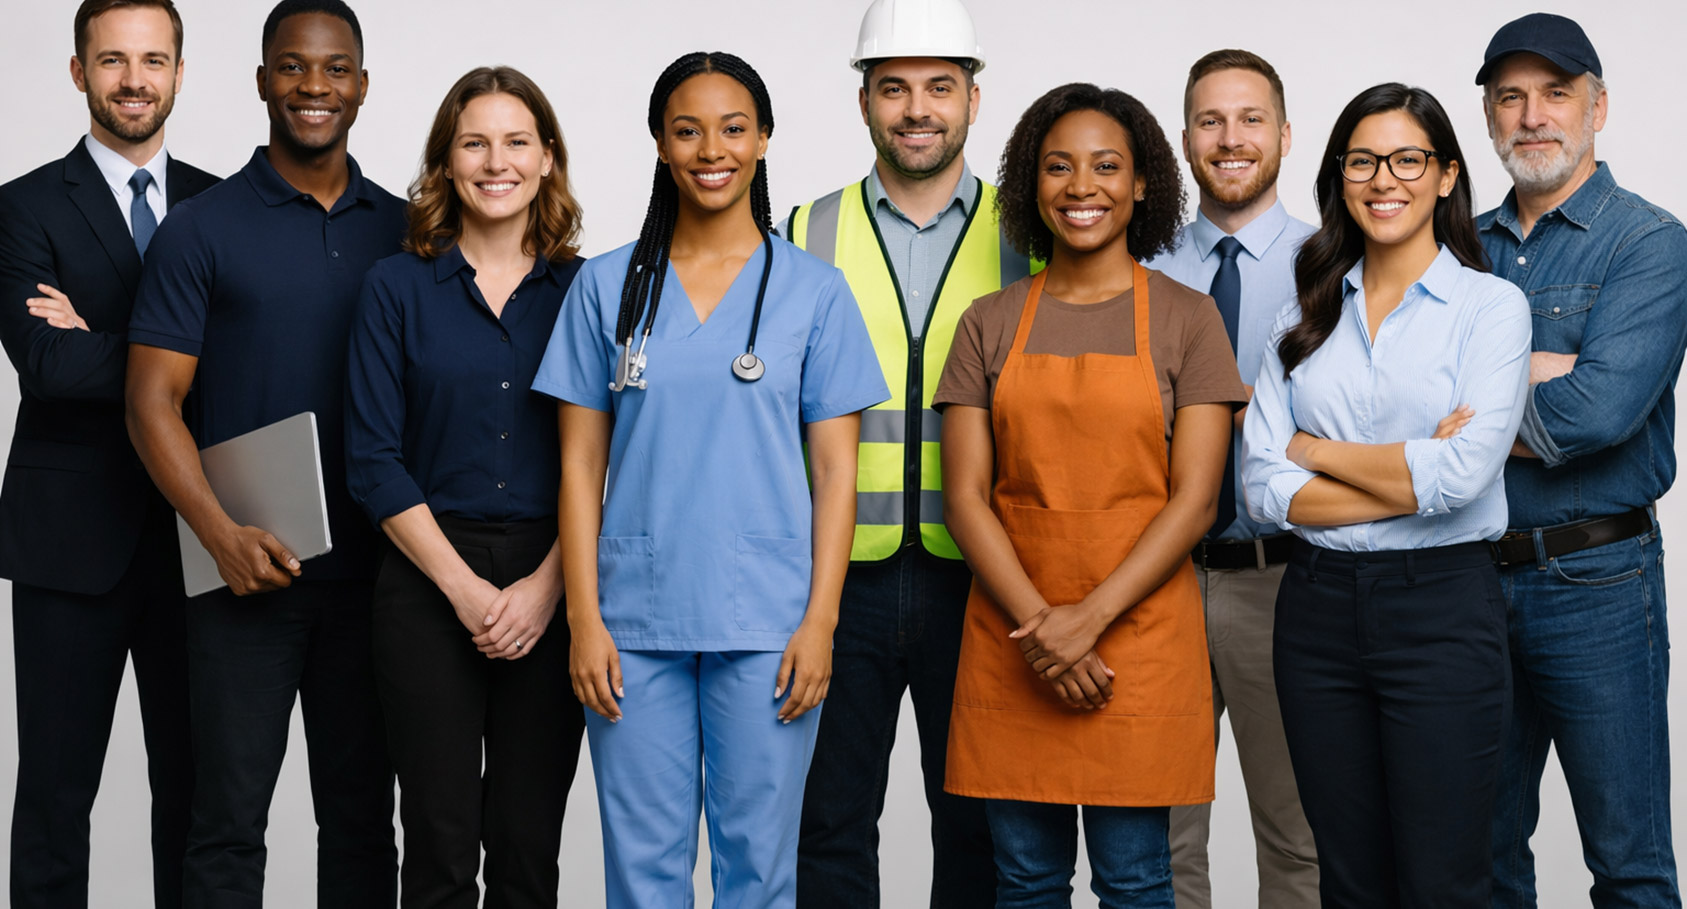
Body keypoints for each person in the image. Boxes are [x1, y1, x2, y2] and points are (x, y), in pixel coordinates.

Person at [533, 52, 887, 908]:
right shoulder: (608, 286)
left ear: (763, 139)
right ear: (659, 143)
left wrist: (820, 623)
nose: (710, 148)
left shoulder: (813, 290)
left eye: (732, 128)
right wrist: (583, 619)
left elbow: (837, 471)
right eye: (687, 130)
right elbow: (580, 464)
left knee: (758, 869)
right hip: (632, 620)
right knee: (643, 868)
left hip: (768, 619)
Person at [124, 1, 404, 904]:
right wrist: (218, 532)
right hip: (242, 577)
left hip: (376, 583)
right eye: (292, 67)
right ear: (260, 82)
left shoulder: (407, 231)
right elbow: (150, 402)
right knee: (227, 826)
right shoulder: (201, 228)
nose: (312, 87)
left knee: (363, 825)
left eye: (333, 70)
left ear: (361, 85)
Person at [938, 82, 1240, 908]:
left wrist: (1083, 622)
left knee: (1138, 879)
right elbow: (965, 497)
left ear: (1142, 183)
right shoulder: (986, 322)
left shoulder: (1188, 321)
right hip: (1014, 631)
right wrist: (1043, 628)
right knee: (1026, 880)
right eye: (1057, 167)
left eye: (1106, 166)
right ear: (1030, 185)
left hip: (1136, 642)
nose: (1081, 187)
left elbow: (1195, 500)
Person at [1241, 83, 1531, 906]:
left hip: (1440, 609)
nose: (1383, 178)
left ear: (1444, 176)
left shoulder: (1489, 308)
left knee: (1443, 883)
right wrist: (1410, 475)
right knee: (1350, 881)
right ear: (1338, 175)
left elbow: (1464, 476)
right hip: (1316, 613)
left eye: (1408, 158)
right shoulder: (1302, 313)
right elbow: (1263, 487)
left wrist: (1317, 452)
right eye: (1362, 160)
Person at [781, 2, 1029, 902]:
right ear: (862, 102)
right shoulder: (803, 229)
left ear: (972, 97)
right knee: (827, 821)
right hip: (836, 580)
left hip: (985, 576)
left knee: (979, 823)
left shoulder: (1031, 229)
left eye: (937, 87)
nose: (916, 108)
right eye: (893, 88)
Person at [344, 66, 587, 909]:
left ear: (547, 159)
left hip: (555, 581)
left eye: (516, 142)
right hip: (424, 578)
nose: (496, 162)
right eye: (473, 143)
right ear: (445, 163)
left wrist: (545, 587)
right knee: (440, 849)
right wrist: (467, 590)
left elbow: (613, 457)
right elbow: (372, 457)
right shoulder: (395, 287)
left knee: (527, 844)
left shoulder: (587, 293)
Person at [0, 1, 216, 905]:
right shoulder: (21, 207)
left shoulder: (223, 203)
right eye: (115, 59)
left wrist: (110, 338)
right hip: (67, 543)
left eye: (154, 59)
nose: (136, 78)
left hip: (199, 536)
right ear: (79, 70)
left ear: (178, 71)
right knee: (54, 795)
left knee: (197, 798)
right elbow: (49, 364)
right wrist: (185, 352)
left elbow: (257, 362)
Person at [1473, 14, 1687, 907]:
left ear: (1598, 107)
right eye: (1510, 96)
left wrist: (1468, 403)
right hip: (1469, 582)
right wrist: (1547, 369)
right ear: (1486, 115)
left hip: (1597, 580)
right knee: (1481, 857)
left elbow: (1596, 412)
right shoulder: (1457, 246)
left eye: (1555, 93)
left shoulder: (1647, 242)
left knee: (1627, 861)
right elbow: (1393, 396)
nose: (1532, 116)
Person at [1142, 48, 1319, 909]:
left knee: (1297, 832)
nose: (1230, 137)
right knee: (1160, 836)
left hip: (1281, 580)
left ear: (1284, 135)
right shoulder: (1139, 272)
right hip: (1160, 581)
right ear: (1184, 140)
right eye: (1210, 120)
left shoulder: (1335, 266)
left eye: (1250, 118)